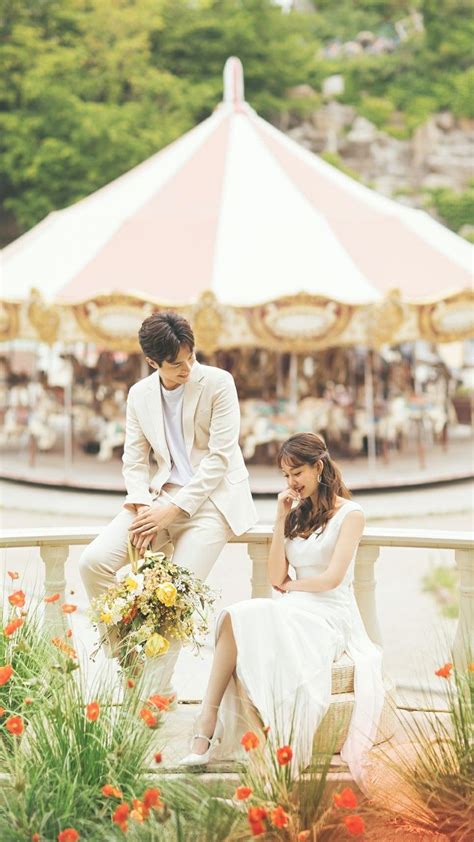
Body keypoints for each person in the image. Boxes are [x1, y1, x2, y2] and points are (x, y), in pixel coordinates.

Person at [180, 432, 385, 785]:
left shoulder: (351, 514)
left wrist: (293, 588)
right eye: (286, 476)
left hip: (329, 613)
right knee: (232, 617)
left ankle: (238, 742)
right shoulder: (295, 514)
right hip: (294, 605)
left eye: (297, 473)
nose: (291, 483)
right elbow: (276, 575)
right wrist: (280, 517)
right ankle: (206, 725)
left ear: (318, 467)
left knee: (249, 621)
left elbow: (332, 578)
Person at [79, 311, 257, 696]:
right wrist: (143, 506)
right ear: (152, 362)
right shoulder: (139, 394)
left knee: (173, 600)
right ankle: (131, 660)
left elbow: (219, 459)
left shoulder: (219, 383)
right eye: (177, 364)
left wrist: (171, 511)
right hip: (157, 498)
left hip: (213, 503)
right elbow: (134, 460)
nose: (188, 369)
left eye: (191, 357)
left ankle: (148, 703)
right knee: (92, 563)